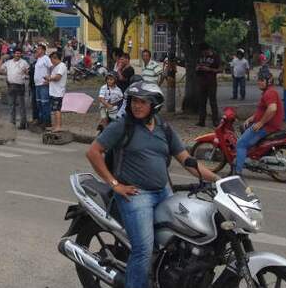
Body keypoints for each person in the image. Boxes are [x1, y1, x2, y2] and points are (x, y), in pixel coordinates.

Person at [86, 81, 218, 288]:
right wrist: (115, 184)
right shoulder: (123, 125)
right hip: (135, 195)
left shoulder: (163, 128)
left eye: (143, 102)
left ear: (154, 105)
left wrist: (219, 181)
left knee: (176, 241)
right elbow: (93, 152)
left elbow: (186, 161)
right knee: (143, 249)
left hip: (163, 192)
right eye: (134, 101)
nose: (137, 106)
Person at [235, 72, 284, 176]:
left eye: (261, 80)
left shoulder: (269, 93)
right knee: (244, 129)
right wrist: (252, 118)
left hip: (267, 126)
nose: (259, 82)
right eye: (258, 80)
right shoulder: (269, 92)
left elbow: (272, 109)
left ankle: (237, 172)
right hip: (268, 125)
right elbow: (263, 110)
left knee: (240, 144)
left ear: (268, 81)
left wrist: (260, 123)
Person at [0, 48, 30, 129]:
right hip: (11, 86)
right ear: (13, 54)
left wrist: (26, 72)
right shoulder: (8, 63)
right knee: (11, 105)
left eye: (19, 53)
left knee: (21, 106)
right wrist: (1, 59)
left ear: (21, 54)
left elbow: (28, 72)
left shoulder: (24, 62)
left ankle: (23, 124)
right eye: (16, 53)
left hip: (20, 86)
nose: (17, 55)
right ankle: (12, 123)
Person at [195, 43, 221, 127]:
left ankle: (215, 121)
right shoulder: (200, 57)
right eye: (202, 52)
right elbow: (197, 66)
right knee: (202, 102)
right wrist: (198, 68)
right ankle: (201, 121)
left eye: (204, 52)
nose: (203, 54)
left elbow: (220, 69)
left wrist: (209, 69)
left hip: (211, 82)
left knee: (213, 102)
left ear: (208, 50)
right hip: (201, 82)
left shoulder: (216, 57)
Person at [47, 50, 68, 132]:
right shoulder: (56, 66)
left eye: (51, 59)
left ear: (55, 58)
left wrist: (49, 78)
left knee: (57, 109)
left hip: (58, 92)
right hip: (53, 91)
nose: (51, 62)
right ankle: (55, 126)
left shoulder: (62, 66)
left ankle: (58, 126)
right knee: (54, 109)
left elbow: (58, 77)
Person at [32, 43, 52, 126]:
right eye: (37, 49)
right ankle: (41, 119)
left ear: (43, 50)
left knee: (45, 103)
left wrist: (49, 79)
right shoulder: (38, 59)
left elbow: (51, 68)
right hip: (37, 84)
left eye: (39, 49)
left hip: (44, 84)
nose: (37, 50)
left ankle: (47, 121)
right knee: (39, 103)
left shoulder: (46, 58)